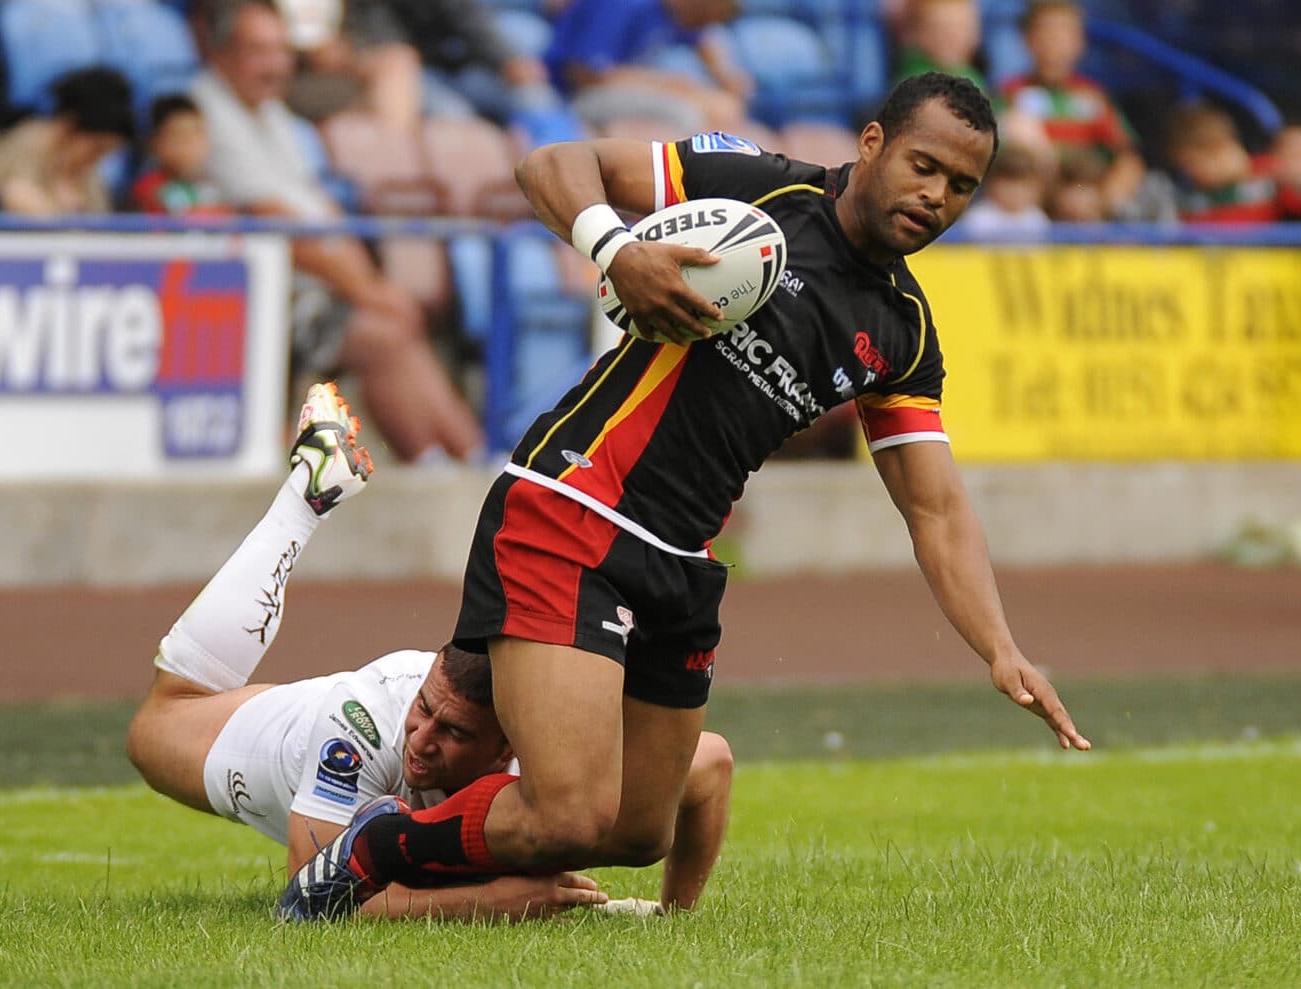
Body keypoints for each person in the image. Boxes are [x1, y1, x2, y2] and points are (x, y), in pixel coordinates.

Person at [277, 71, 1092, 923]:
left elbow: (936, 508)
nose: (938, 195)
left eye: (962, 185)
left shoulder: (904, 333)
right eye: (925, 165)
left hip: (683, 558)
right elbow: (554, 163)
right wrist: (616, 251)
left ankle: (405, 857)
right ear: (873, 143)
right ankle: (372, 852)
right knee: (568, 811)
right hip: (573, 505)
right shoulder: (760, 186)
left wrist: (1000, 647)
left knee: (635, 830)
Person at [126, 382, 733, 921]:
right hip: (261, 737)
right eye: (426, 710)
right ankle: (303, 499)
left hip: (320, 714)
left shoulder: (548, 732)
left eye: (454, 732)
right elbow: (314, 902)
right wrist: (497, 903)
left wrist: (672, 916)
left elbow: (710, 767)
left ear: (513, 742)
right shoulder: (359, 724)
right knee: (163, 714)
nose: (420, 738)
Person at [190, 0, 484, 464]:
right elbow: (281, 228)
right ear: (221, 53)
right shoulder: (205, 113)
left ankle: (467, 457)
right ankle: (440, 460)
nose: (275, 65)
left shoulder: (270, 112)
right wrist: (369, 293)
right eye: (257, 51)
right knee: (381, 332)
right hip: (253, 299)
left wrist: (375, 288)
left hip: (313, 290)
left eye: (280, 50)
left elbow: (325, 216)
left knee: (395, 321)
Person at [997, 0, 1147, 220]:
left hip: (1087, 206)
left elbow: (1129, 160)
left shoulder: (1094, 96)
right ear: (1027, 39)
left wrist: (1101, 200)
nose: (1054, 42)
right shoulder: (1007, 94)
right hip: (1029, 210)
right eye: (1046, 32)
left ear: (1080, 42)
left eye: (1064, 33)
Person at [543, 0, 753, 136]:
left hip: (613, 91)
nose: (708, 23)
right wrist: (673, 86)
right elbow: (585, 74)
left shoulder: (672, 13)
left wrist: (726, 77)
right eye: (710, 14)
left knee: (720, 107)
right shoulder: (621, 5)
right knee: (685, 113)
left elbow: (702, 39)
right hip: (568, 96)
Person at [0, 66, 134, 214]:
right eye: (97, 148)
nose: (97, 158)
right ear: (69, 125)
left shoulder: (88, 176)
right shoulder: (25, 146)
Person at [1164, 103, 1291, 224]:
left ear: (1217, 149)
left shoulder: (1274, 174)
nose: (1190, 172)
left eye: (1192, 163)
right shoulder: (1190, 199)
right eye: (1185, 167)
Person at [129, 93, 230, 216]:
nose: (188, 145)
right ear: (155, 142)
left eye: (195, 134)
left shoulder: (213, 187)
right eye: (177, 136)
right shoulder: (148, 189)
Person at [891, 0, 989, 94]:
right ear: (919, 34)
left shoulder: (971, 73)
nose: (952, 39)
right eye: (941, 31)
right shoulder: (914, 81)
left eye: (960, 30)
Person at [959, 140, 1050, 237]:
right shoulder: (978, 219)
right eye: (1008, 185)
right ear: (992, 185)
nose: (1014, 192)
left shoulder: (1037, 220)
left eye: (1021, 186)